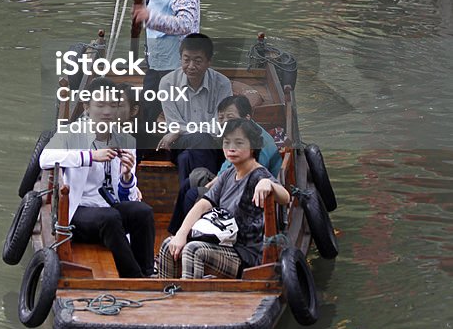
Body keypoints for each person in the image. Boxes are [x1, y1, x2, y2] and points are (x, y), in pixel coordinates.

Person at [39, 86, 155, 278]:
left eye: (114, 106)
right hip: (78, 212)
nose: (107, 112)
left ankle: (148, 272)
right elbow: (45, 159)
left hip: (109, 208)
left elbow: (127, 196)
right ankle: (134, 278)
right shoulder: (72, 133)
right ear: (87, 107)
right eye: (100, 105)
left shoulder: (126, 140)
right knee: (110, 217)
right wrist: (90, 156)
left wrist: (127, 177)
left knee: (143, 212)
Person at [157, 118, 290, 279]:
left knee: (194, 250)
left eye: (239, 143)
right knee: (168, 245)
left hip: (245, 254)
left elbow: (285, 197)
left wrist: (269, 183)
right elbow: (202, 205)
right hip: (220, 242)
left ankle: (190, 302)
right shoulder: (228, 174)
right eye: (227, 143)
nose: (231, 148)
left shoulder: (259, 174)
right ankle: (168, 299)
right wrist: (181, 234)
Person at [168, 93, 283, 234]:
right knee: (190, 181)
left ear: (246, 118)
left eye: (230, 117)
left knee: (193, 194)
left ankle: (188, 236)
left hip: (245, 191)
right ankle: (176, 232)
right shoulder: (236, 135)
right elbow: (229, 167)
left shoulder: (258, 141)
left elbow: (249, 177)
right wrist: (214, 182)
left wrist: (215, 187)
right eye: (221, 118)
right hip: (227, 179)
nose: (224, 122)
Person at [133, 0, 201, 110]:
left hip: (174, 62)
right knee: (152, 102)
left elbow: (185, 24)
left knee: (159, 107)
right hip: (159, 57)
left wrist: (149, 17)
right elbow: (167, 3)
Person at [156, 33, 233, 182]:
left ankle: (194, 196)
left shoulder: (222, 84)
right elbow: (174, 124)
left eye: (198, 61)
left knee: (187, 157)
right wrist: (178, 130)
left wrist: (178, 130)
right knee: (199, 140)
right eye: (186, 60)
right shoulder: (167, 83)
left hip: (213, 145)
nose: (191, 66)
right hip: (180, 144)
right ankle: (208, 193)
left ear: (209, 61)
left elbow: (219, 127)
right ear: (180, 59)